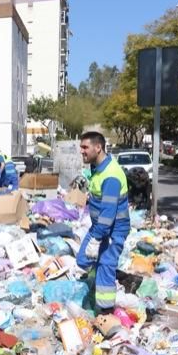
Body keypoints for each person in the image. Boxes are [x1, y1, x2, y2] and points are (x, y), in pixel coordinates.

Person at [75, 131, 130, 315]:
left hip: (113, 230)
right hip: (99, 227)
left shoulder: (111, 175)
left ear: (98, 148)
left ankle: (106, 312)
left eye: (85, 147)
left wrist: (96, 238)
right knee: (83, 260)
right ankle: (103, 280)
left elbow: (108, 213)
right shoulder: (96, 169)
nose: (81, 151)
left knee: (106, 263)